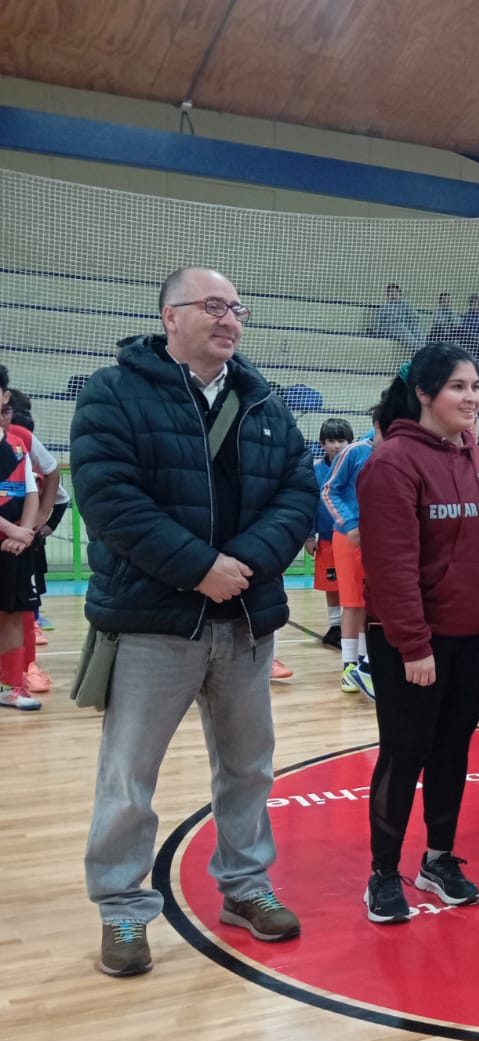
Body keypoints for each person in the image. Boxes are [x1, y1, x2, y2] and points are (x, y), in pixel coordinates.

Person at [72, 267, 316, 975]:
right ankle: (122, 906)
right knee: (129, 772)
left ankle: (245, 886)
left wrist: (239, 563)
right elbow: (110, 499)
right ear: (169, 315)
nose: (229, 319)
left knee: (248, 766)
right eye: (213, 306)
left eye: (237, 307)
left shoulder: (264, 399)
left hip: (244, 618)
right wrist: (198, 569)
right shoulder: (113, 393)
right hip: (153, 620)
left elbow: (299, 492)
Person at [356, 342, 479, 923]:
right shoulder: (392, 462)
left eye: (476, 386)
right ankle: (382, 872)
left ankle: (438, 859)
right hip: (413, 643)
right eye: (457, 387)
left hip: (474, 638)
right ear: (424, 394)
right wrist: (414, 644)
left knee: (453, 751)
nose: (472, 397)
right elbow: (392, 565)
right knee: (406, 754)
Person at [321, 411, 380, 700]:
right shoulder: (355, 452)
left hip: (381, 539)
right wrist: (351, 524)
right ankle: (348, 665)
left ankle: (366, 665)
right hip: (349, 537)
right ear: (377, 425)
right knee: (352, 603)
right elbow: (329, 491)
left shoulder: (398, 453)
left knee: (373, 604)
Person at [0, 387, 43, 708]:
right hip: (8, 535)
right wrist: (10, 529)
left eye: (6, 410)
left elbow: (31, 490)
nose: (4, 416)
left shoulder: (16, 445)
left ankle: (11, 686)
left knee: (13, 614)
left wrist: (25, 532)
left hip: (14, 547)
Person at [307, 417, 352, 648]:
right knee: (331, 585)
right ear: (322, 444)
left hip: (352, 537)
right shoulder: (314, 471)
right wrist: (308, 535)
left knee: (354, 584)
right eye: (331, 440)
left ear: (350, 442)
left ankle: (354, 627)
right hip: (326, 538)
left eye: (341, 440)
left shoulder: (356, 465)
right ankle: (335, 627)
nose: (336, 445)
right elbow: (309, 503)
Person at [373, 283, 424, 352]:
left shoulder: (406, 304)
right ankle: (420, 350)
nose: (393, 294)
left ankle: (424, 347)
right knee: (399, 326)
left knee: (416, 327)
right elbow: (378, 322)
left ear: (399, 293)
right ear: (387, 295)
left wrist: (410, 322)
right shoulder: (384, 307)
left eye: (395, 292)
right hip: (392, 327)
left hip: (406, 326)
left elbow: (415, 316)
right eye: (390, 292)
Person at [456, 293, 479, 363]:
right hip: (471, 340)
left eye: (478, 303)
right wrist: (475, 337)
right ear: (471, 304)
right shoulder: (466, 317)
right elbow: (465, 330)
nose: (476, 305)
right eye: (474, 303)